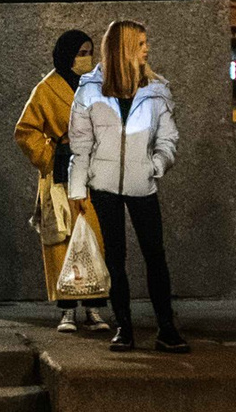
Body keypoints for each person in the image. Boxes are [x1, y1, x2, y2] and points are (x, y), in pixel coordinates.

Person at [67, 18, 187, 353]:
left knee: (155, 255)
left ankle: (167, 328)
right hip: (103, 185)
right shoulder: (89, 89)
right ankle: (124, 328)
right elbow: (80, 144)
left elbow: (168, 139)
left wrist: (155, 165)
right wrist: (78, 190)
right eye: (142, 43)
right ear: (125, 48)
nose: (148, 49)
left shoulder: (155, 90)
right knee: (115, 259)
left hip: (142, 183)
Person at [17, 29, 106, 333]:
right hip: (61, 175)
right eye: (80, 53)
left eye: (89, 52)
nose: (86, 58)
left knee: (93, 238)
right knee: (64, 241)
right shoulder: (46, 89)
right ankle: (67, 307)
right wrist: (50, 153)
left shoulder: (98, 86)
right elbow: (25, 130)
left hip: (93, 171)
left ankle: (94, 305)